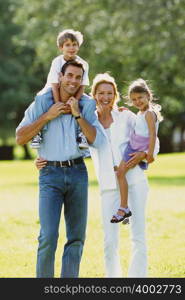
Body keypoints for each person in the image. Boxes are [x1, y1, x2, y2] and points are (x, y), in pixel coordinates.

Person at [36, 73, 159, 278]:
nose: (105, 96)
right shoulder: (87, 120)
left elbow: (148, 136)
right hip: (109, 187)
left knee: (138, 235)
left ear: (115, 95)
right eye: (101, 93)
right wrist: (42, 158)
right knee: (110, 241)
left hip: (134, 180)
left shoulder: (126, 116)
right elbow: (68, 146)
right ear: (93, 95)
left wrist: (146, 155)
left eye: (109, 93)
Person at [16, 60, 105, 278]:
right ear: (61, 76)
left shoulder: (87, 104)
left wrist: (77, 114)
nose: (73, 81)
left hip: (77, 173)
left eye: (78, 77)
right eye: (70, 76)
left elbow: (96, 139)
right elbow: (20, 137)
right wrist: (47, 116)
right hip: (50, 174)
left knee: (76, 237)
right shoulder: (42, 100)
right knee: (47, 235)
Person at [111, 78, 162, 223]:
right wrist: (127, 111)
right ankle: (127, 207)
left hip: (136, 148)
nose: (137, 101)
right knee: (123, 174)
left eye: (140, 97)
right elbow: (140, 125)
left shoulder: (149, 114)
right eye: (134, 99)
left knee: (120, 173)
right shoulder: (141, 113)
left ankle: (124, 208)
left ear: (148, 96)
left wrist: (149, 154)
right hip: (134, 145)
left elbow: (152, 134)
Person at [31, 29, 89, 149]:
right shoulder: (57, 62)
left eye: (74, 44)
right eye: (67, 45)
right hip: (53, 91)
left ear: (78, 46)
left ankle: (82, 133)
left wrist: (74, 102)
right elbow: (54, 84)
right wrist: (59, 104)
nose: (71, 48)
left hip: (75, 91)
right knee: (40, 98)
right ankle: (37, 133)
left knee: (89, 103)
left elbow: (82, 85)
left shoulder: (83, 64)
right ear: (61, 47)